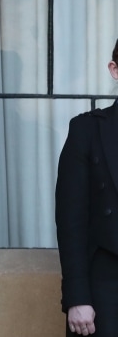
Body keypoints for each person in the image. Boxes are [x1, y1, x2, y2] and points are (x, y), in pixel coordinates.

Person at [55, 38, 118, 336]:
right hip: (106, 288)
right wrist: (77, 297)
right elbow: (71, 222)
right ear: (115, 70)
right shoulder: (87, 130)